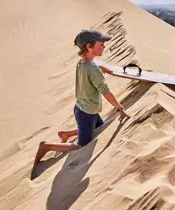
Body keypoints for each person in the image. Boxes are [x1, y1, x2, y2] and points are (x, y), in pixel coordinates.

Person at [34, 29, 130, 164]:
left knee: (97, 129)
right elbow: (105, 91)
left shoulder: (82, 62)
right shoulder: (92, 69)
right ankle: (47, 146)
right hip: (87, 113)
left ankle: (66, 134)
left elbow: (90, 68)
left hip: (83, 108)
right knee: (82, 145)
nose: (104, 46)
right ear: (89, 47)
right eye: (101, 44)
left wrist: (101, 68)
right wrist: (119, 108)